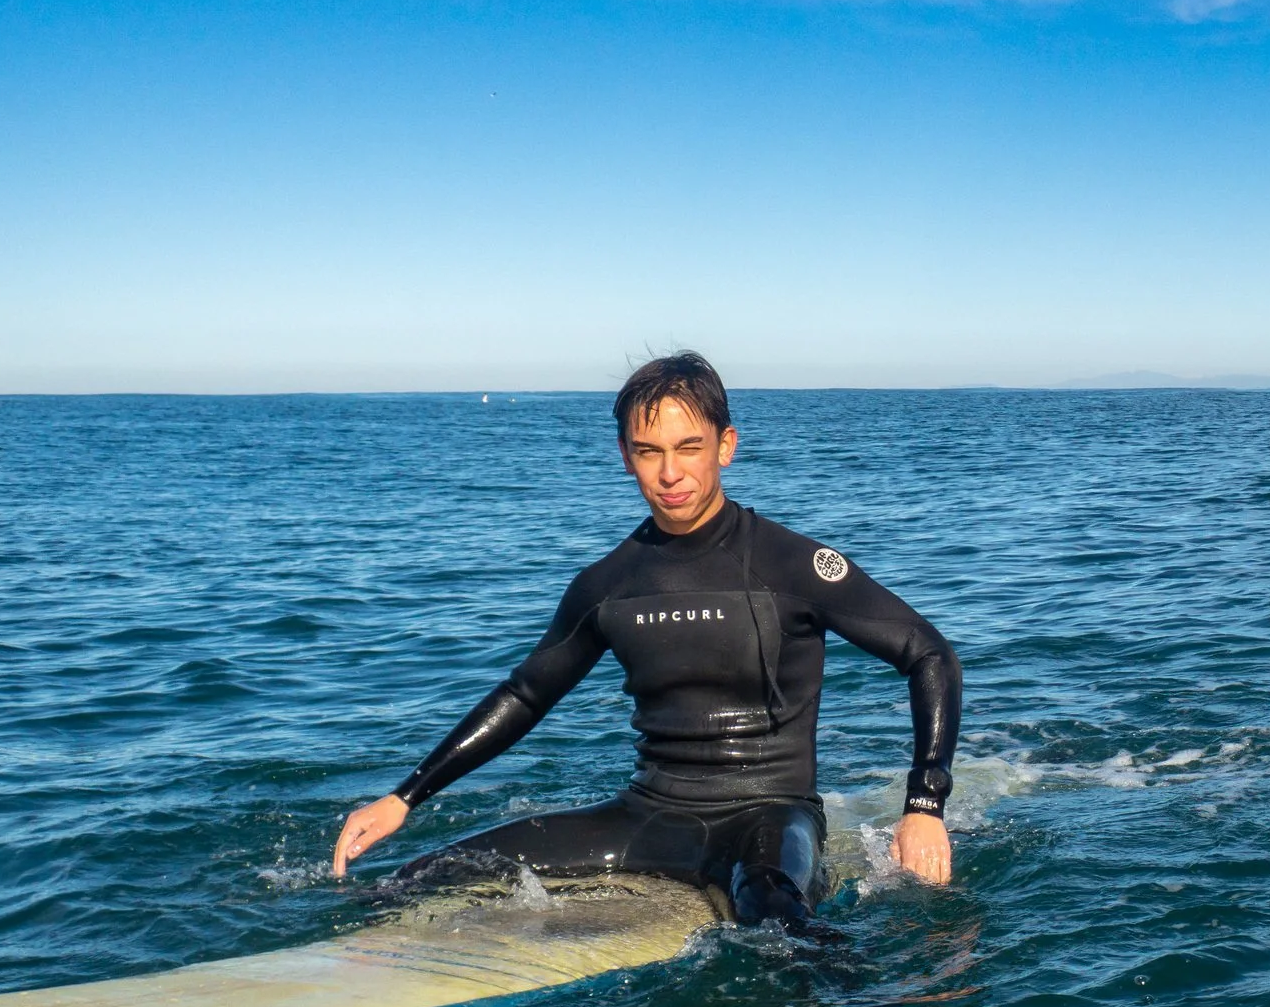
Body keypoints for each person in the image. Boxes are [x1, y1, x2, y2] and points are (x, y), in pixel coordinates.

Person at [328, 352, 961, 931]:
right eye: (649, 450)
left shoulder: (793, 566)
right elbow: (526, 694)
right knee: (420, 878)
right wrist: (403, 797)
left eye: (690, 447)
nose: (671, 472)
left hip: (770, 814)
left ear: (726, 446)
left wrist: (923, 805)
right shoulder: (608, 586)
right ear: (625, 455)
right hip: (651, 819)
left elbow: (927, 653)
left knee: (772, 912)